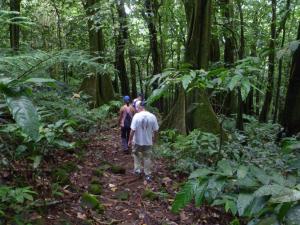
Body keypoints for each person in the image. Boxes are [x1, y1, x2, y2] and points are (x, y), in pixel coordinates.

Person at [128, 100, 159, 181]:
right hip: (148, 141)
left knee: (136, 155)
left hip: (137, 141)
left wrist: (130, 140)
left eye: (136, 108)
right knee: (147, 157)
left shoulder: (136, 116)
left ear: (139, 107)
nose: (136, 109)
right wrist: (154, 140)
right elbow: (156, 131)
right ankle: (147, 174)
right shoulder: (152, 116)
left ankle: (137, 170)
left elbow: (132, 130)